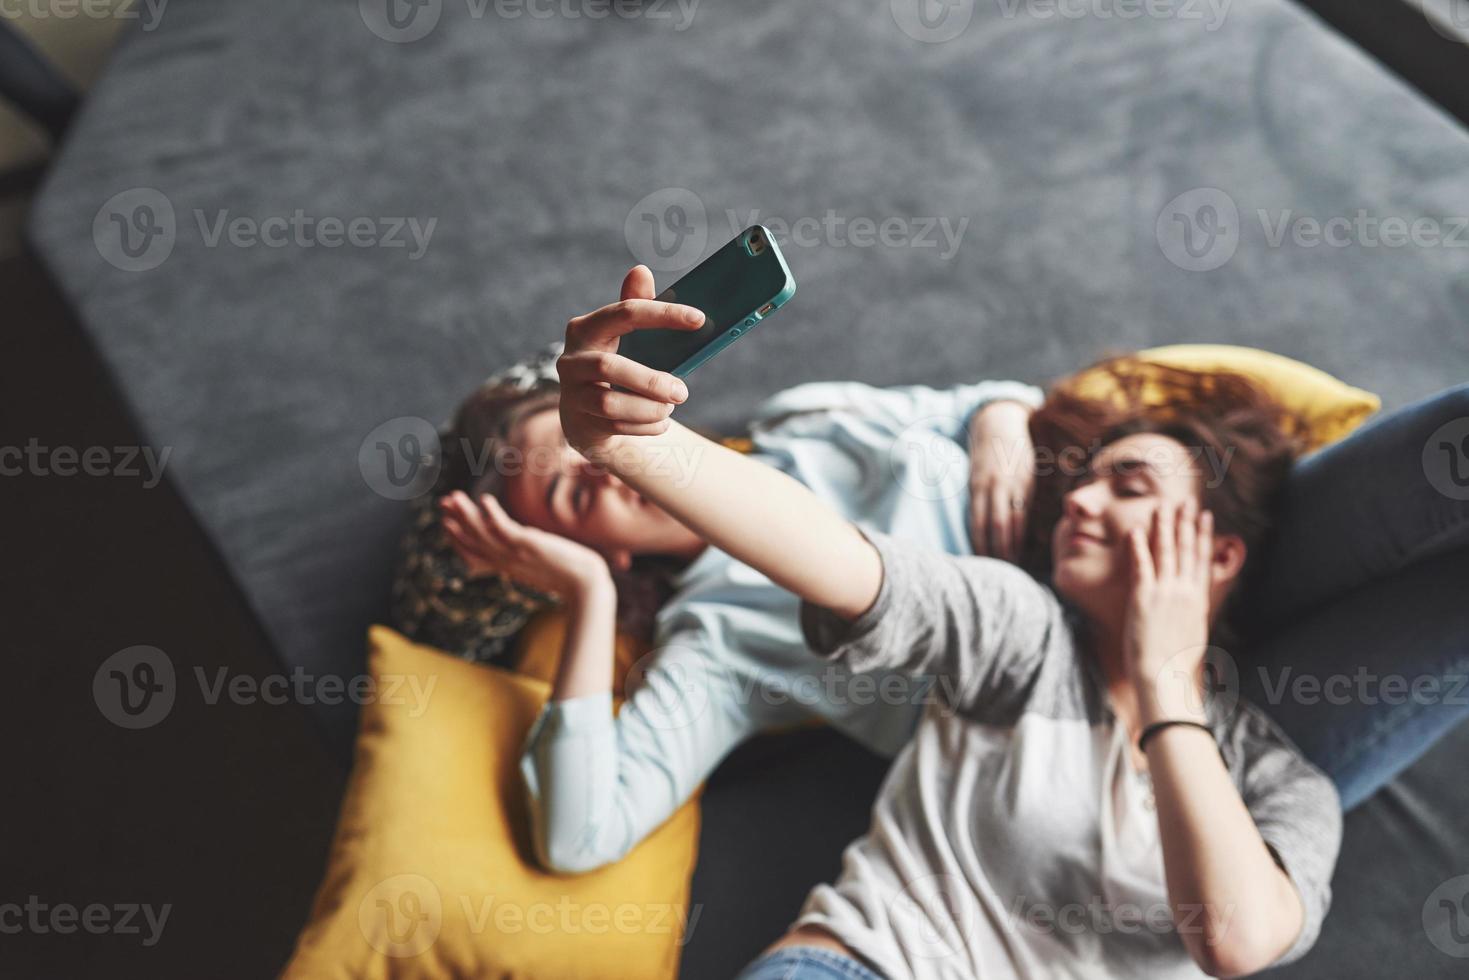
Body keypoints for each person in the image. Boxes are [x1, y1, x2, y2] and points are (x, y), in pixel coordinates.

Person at [533, 265, 1350, 979]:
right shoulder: (1016, 631)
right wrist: (626, 442)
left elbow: (1232, 939)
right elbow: (842, 559)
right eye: (1086, 483)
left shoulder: (1282, 787)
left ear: (1219, 556)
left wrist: (1168, 680)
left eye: (1127, 485)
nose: (1081, 500)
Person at [435, 335, 1046, 872]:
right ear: (608, 553)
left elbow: (978, 402)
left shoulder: (805, 420)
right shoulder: (715, 642)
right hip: (1046, 690)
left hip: (1075, 518)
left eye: (590, 435)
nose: (609, 464)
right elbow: (577, 837)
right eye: (575, 494)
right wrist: (588, 593)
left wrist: (999, 416)